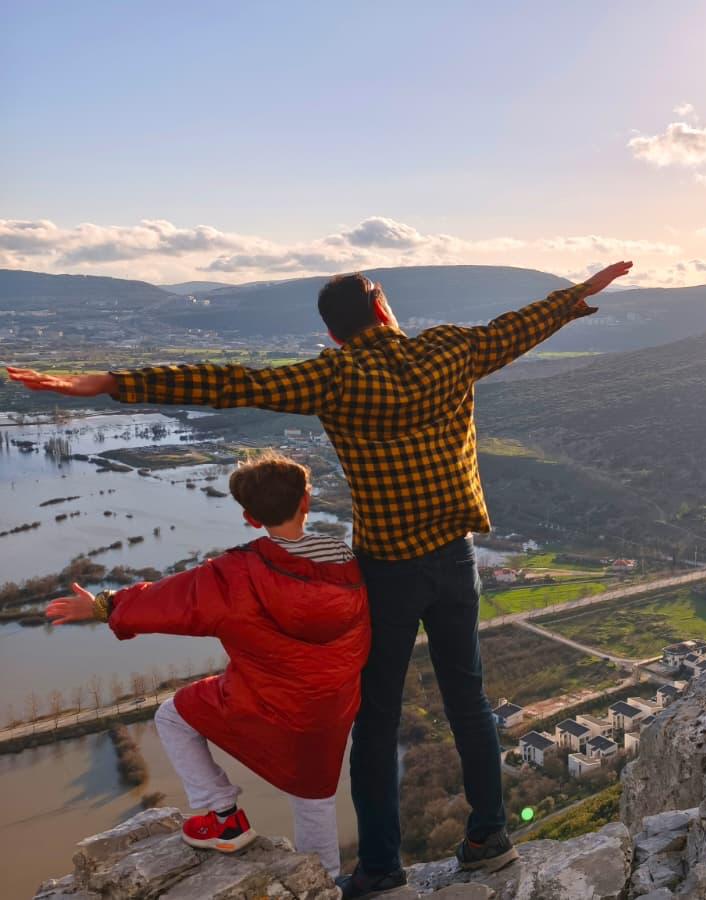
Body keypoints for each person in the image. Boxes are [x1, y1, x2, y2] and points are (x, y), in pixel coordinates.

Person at [8, 260, 633, 897]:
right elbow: (516, 328)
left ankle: (381, 868)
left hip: (388, 572)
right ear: (383, 309)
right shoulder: (450, 350)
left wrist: (110, 383)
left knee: (378, 719)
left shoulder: (334, 377)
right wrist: (575, 295)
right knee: (468, 701)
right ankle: (490, 836)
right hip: (455, 560)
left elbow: (232, 384)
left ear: (333, 333)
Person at [43, 452, 368, 876]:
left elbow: (172, 600)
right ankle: (325, 882)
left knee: (173, 717)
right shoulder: (348, 563)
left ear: (250, 518)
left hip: (264, 700)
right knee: (314, 795)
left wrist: (104, 606)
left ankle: (224, 816)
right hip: (329, 707)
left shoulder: (236, 574)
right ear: (306, 501)